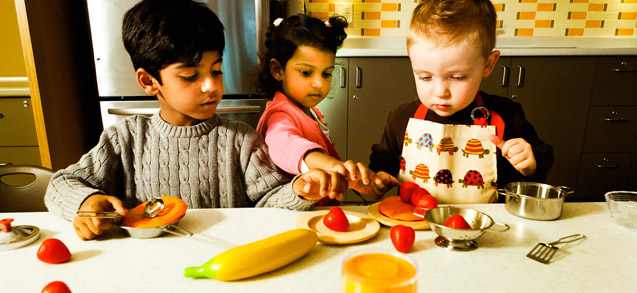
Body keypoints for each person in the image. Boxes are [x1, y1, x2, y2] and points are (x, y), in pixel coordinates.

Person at [44, 0, 348, 240]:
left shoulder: (241, 140)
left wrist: (299, 190)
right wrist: (85, 204)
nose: (211, 86)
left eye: (216, 70)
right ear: (149, 81)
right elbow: (61, 183)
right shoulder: (126, 138)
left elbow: (268, 202)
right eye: (191, 76)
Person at [369, 0, 553, 196]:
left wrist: (529, 163)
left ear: (488, 64)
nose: (440, 91)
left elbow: (543, 156)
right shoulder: (400, 117)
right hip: (418, 222)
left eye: (458, 77)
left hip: (485, 223)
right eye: (425, 77)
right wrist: (380, 177)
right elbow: (383, 159)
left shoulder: (507, 114)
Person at [254, 14, 398, 200]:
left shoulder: (309, 111)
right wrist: (333, 166)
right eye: (306, 73)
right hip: (291, 217)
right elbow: (284, 144)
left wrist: (363, 182)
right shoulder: (279, 114)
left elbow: (333, 169)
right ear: (277, 70)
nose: (318, 84)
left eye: (326, 74)